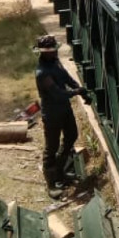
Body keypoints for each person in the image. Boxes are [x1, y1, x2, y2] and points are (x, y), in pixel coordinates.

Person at [34, 34, 90, 197]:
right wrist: (75, 92)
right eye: (51, 51)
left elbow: (66, 77)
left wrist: (79, 88)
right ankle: (52, 184)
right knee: (51, 147)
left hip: (64, 109)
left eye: (54, 50)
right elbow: (57, 94)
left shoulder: (55, 63)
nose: (54, 52)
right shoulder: (42, 73)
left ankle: (60, 171)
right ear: (43, 53)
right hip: (52, 114)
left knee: (71, 136)